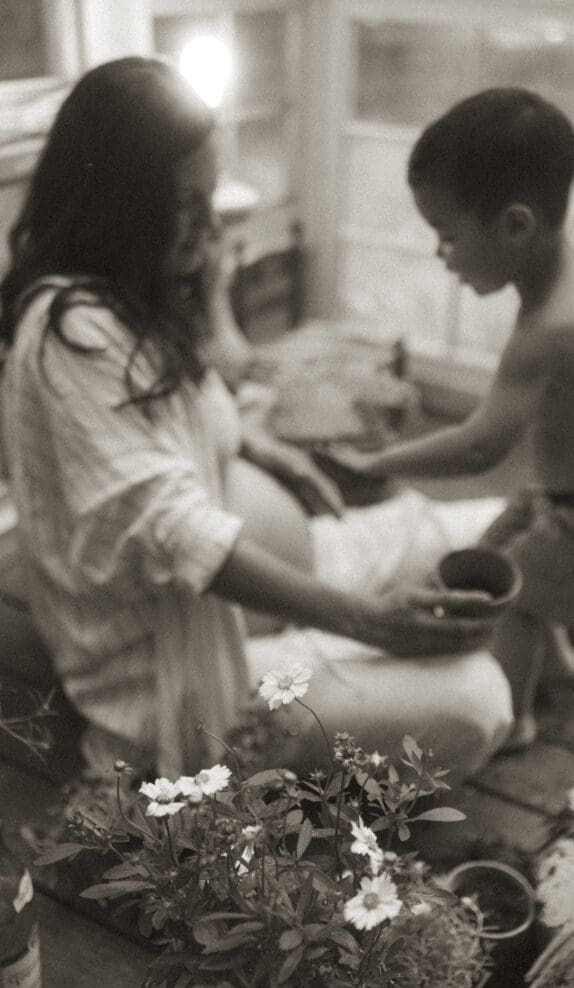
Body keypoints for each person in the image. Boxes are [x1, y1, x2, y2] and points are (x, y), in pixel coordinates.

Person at [0, 58, 513, 779]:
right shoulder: (70, 334)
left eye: (208, 197)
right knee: (475, 697)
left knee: (505, 530)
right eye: (187, 204)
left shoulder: (130, 291)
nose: (207, 223)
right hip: (184, 673)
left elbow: (180, 413)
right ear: (117, 201)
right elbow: (170, 527)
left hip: (266, 597)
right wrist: (366, 622)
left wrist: (262, 447)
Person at [336, 88, 574, 750]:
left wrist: (378, 460)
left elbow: (476, 451)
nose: (441, 255)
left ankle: (513, 722)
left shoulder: (552, 326)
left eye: (447, 236)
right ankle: (560, 654)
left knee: (508, 600)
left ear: (515, 226)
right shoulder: (567, 273)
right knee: (481, 559)